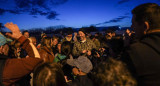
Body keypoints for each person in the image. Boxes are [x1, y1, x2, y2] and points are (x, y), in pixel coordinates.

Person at [121, 3, 160, 86]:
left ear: (145, 26)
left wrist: (126, 47)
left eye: (133, 23)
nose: (132, 27)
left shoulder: (135, 52)